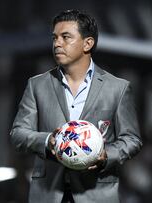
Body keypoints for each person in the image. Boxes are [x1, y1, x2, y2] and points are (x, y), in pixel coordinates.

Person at [10, 9, 142, 203]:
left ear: (88, 43)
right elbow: (18, 133)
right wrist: (47, 141)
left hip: (96, 194)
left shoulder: (117, 88)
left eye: (66, 37)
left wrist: (106, 156)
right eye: (54, 38)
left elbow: (131, 139)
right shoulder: (37, 85)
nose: (57, 43)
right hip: (48, 194)